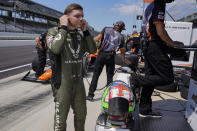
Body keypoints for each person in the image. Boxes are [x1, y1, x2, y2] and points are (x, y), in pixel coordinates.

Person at [46, 3, 97, 131]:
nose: (81, 19)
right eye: (77, 16)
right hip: (63, 83)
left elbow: (93, 49)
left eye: (82, 16)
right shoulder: (54, 31)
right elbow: (56, 49)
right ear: (67, 17)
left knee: (81, 116)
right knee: (61, 121)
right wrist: (63, 27)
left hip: (78, 83)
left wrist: (85, 31)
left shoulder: (80, 34)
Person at [132, 0, 185, 118]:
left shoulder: (152, 4)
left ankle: (144, 110)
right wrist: (172, 43)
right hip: (153, 45)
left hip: (147, 44)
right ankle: (135, 80)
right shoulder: (159, 3)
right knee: (167, 77)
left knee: (150, 78)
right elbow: (160, 30)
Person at [86, 21, 131, 101]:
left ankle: (90, 95)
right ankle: (109, 96)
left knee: (96, 75)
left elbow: (96, 39)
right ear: (121, 28)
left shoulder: (106, 29)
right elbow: (122, 51)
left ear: (115, 25)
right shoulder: (121, 37)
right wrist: (124, 59)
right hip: (110, 57)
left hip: (101, 55)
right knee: (109, 77)